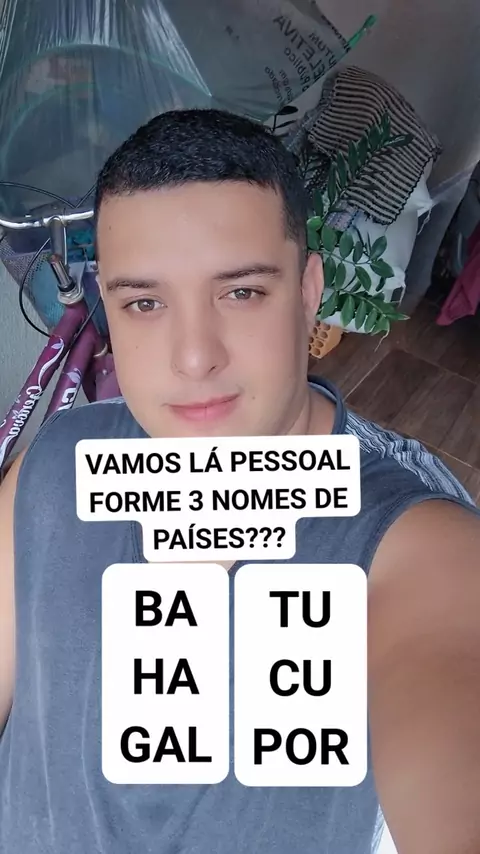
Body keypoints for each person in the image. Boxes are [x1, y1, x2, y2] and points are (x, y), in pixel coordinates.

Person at [1, 108, 479, 854]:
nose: (195, 357)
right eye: (145, 303)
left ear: (309, 289)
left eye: (241, 292)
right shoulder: (54, 463)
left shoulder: (417, 549)